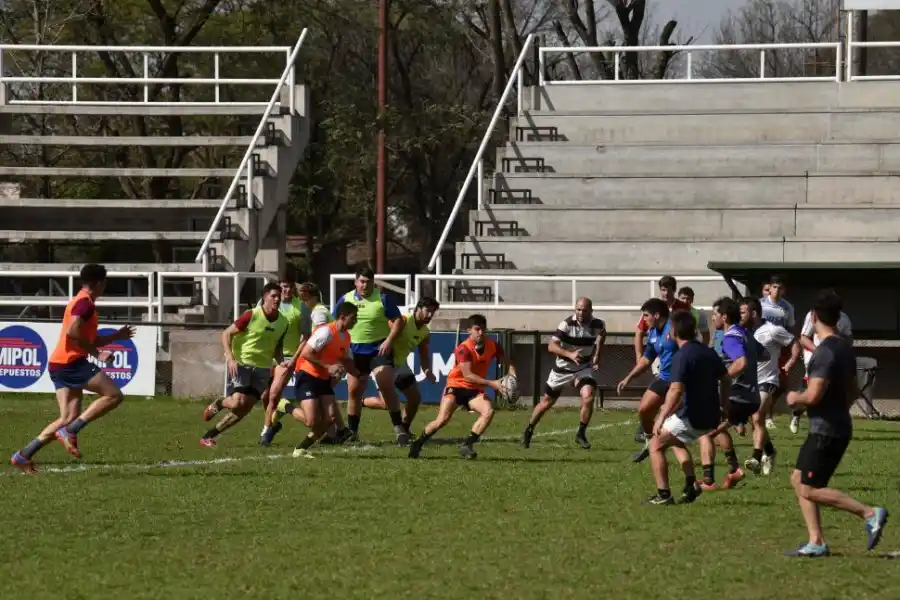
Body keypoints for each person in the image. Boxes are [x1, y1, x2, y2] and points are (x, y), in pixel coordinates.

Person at [784, 290, 888, 557]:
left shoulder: (824, 352)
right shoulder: (843, 348)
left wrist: (795, 397)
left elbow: (814, 394)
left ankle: (869, 513)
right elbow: (854, 390)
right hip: (834, 426)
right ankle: (816, 541)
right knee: (798, 479)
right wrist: (837, 410)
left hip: (826, 431)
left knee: (809, 488)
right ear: (838, 317)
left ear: (814, 317)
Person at [10, 264, 134, 473]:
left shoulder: (80, 301)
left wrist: (116, 337)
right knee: (113, 395)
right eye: (105, 282)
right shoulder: (85, 304)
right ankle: (71, 431)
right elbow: (72, 333)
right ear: (98, 283)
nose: (106, 286)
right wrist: (98, 354)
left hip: (59, 363)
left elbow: (87, 337)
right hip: (71, 363)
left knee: (67, 417)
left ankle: (23, 455)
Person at [644, 312, 730, 505]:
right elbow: (725, 378)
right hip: (711, 417)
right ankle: (691, 484)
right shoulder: (708, 352)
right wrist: (724, 404)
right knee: (674, 440)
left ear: (674, 331)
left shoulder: (681, 356)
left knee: (655, 445)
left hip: (692, 417)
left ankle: (663, 495)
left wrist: (661, 416)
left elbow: (675, 390)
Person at [408, 314, 516, 460]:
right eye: (477, 329)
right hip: (456, 386)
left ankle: (467, 445)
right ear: (469, 330)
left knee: (488, 411)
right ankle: (418, 443)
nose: (480, 333)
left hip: (474, 390)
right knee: (442, 420)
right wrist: (493, 383)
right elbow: (468, 375)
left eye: (483, 329)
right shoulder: (463, 349)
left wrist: (513, 376)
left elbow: (507, 360)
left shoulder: (492, 345)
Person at [199, 283, 287, 447]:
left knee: (244, 409)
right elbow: (226, 334)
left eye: (279, 296)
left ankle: (208, 436)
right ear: (265, 297)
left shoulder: (283, 322)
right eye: (273, 296)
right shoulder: (251, 315)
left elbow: (277, 348)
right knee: (237, 402)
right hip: (242, 364)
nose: (277, 299)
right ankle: (219, 403)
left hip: (262, 369)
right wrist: (231, 358)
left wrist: (282, 362)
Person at [260, 281, 342, 446]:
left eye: (290, 287)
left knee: (276, 394)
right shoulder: (267, 305)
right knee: (267, 396)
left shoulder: (303, 308)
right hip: (272, 355)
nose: (287, 290)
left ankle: (267, 430)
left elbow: (310, 336)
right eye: (284, 287)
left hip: (295, 357)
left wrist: (295, 358)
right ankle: (272, 425)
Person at [333, 267, 408, 445]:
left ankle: (399, 428)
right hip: (355, 352)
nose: (365, 285)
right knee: (354, 391)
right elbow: (336, 323)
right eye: (362, 281)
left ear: (373, 282)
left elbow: (398, 320)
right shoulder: (345, 299)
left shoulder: (383, 298)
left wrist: (389, 340)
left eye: (368, 282)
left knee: (385, 385)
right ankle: (352, 432)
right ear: (355, 282)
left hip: (378, 350)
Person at [276, 302, 359, 458]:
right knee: (311, 421)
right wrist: (328, 366)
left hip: (323, 378)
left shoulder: (346, 336)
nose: (356, 321)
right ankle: (285, 406)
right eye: (353, 318)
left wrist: (355, 373)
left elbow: (345, 359)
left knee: (330, 419)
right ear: (342, 317)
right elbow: (306, 353)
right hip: (307, 375)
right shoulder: (326, 332)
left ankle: (301, 449)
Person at [522, 297, 606, 450]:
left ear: (591, 311)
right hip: (562, 369)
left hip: (583, 368)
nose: (580, 313)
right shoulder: (566, 324)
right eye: (578, 309)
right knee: (546, 403)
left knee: (588, 397)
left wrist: (597, 355)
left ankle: (581, 433)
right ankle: (529, 429)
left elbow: (602, 335)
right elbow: (551, 346)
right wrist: (570, 354)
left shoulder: (598, 324)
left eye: (584, 310)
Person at [697, 297, 757, 491]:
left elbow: (741, 362)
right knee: (716, 428)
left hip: (737, 394)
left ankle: (708, 481)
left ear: (724, 317)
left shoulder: (730, 337)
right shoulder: (745, 333)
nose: (712, 318)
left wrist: (722, 377)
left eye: (714, 314)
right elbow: (762, 354)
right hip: (749, 394)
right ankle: (734, 470)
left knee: (705, 432)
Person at [361, 297, 440, 435]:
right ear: (418, 308)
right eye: (428, 310)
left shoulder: (425, 333)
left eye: (433, 312)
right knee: (386, 404)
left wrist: (427, 371)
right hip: (384, 363)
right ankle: (361, 401)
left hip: (401, 365)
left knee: (415, 398)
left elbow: (424, 356)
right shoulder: (403, 321)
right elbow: (383, 334)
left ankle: (405, 428)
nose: (430, 315)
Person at [740, 297, 800, 476]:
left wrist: (790, 362)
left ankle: (756, 458)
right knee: (755, 421)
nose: (739, 316)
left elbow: (794, 343)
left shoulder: (773, 330)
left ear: (754, 313)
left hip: (768, 380)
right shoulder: (741, 332)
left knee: (758, 417)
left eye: (742, 313)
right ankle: (770, 450)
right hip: (749, 381)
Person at [618, 298, 679, 463]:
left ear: (657, 315)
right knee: (644, 410)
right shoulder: (652, 333)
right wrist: (628, 378)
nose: (643, 319)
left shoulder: (674, 329)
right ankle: (649, 443)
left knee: (670, 423)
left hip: (680, 383)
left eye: (646, 315)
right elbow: (646, 359)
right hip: (664, 379)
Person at [790, 301, 853, 435]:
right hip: (817, 362)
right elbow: (804, 337)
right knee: (811, 395)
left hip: (834, 362)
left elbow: (848, 338)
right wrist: (819, 351)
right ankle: (797, 414)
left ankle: (825, 426)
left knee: (824, 396)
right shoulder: (813, 316)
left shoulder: (845, 319)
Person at [761, 275, 796, 429]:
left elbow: (790, 329)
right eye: (774, 287)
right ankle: (765, 416)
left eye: (779, 288)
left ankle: (767, 410)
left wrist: (790, 349)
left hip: (780, 350)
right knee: (764, 382)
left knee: (781, 385)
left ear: (784, 290)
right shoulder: (760, 304)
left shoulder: (788, 308)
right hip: (761, 349)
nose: (776, 290)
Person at [633, 276, 691, 364]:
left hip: (678, 355)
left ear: (674, 290)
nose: (666, 293)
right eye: (663, 290)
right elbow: (639, 331)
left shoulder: (683, 307)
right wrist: (639, 357)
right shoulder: (653, 307)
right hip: (658, 356)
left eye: (669, 290)